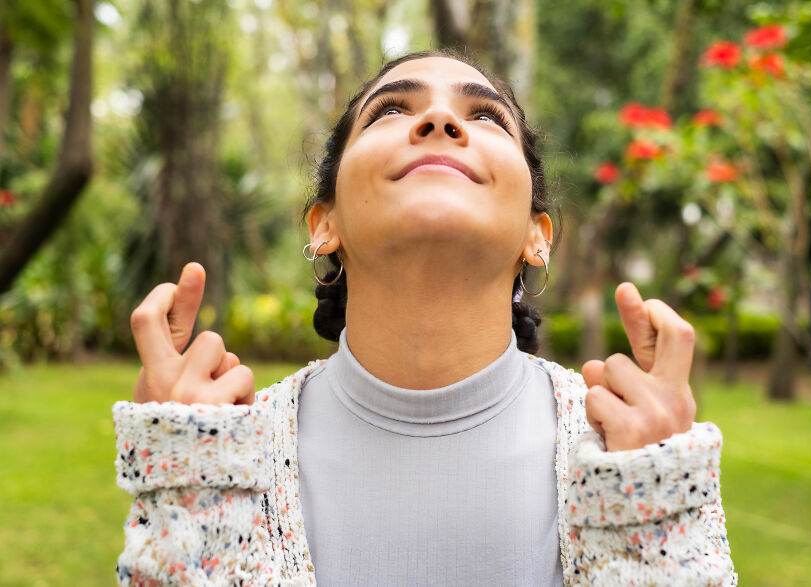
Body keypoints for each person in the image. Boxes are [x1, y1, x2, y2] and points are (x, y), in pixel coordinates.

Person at [113, 50, 735, 585]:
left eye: (485, 117)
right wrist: (187, 488)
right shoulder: (215, 453)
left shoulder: (636, 451)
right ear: (324, 224)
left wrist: (654, 505)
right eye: (391, 111)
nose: (439, 121)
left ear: (537, 237)